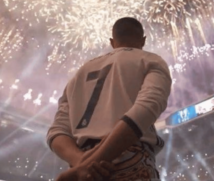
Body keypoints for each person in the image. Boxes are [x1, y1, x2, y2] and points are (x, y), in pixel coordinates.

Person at [46, 17, 172, 181]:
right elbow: (146, 109)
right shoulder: (150, 60)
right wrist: (95, 160)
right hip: (130, 160)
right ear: (143, 40)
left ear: (112, 42)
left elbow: (57, 130)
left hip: (81, 169)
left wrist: (80, 163)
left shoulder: (80, 73)